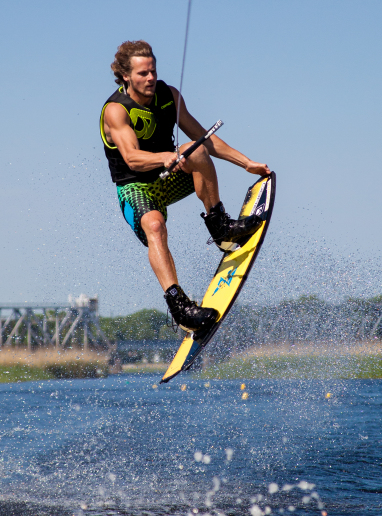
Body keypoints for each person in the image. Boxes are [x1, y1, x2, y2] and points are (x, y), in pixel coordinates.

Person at [100, 39, 270, 335]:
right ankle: (180, 308)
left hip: (169, 180)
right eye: (142, 74)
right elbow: (132, 158)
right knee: (154, 226)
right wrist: (166, 156)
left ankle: (220, 226)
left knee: (198, 149)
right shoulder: (116, 110)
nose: (151, 78)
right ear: (126, 76)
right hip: (136, 187)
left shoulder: (169, 95)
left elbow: (205, 137)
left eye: (152, 71)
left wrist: (246, 163)